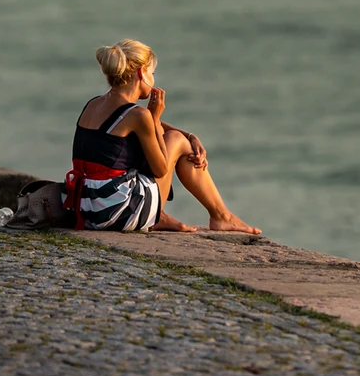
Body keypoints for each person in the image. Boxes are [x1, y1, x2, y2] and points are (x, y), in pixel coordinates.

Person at [65, 39, 260, 235]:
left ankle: (168, 216)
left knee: (176, 139)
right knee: (175, 140)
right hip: (112, 213)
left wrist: (190, 136)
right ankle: (221, 216)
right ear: (141, 73)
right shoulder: (137, 116)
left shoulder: (95, 105)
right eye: (152, 73)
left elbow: (140, 126)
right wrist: (155, 118)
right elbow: (160, 169)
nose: (153, 78)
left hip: (85, 207)